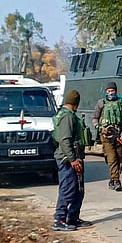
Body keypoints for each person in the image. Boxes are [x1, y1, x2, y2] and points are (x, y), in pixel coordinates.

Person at [52, 90, 92, 231]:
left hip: (74, 157)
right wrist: (73, 159)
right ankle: (59, 219)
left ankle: (73, 217)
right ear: (76, 103)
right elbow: (65, 139)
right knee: (68, 189)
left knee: (78, 190)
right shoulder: (67, 117)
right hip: (67, 159)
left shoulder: (69, 115)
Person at [92, 81, 122, 191]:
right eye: (108, 91)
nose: (110, 93)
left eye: (112, 91)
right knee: (112, 158)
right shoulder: (101, 103)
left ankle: (113, 178)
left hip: (119, 135)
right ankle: (116, 180)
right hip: (106, 136)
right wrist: (100, 128)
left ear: (116, 91)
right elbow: (95, 118)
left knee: (119, 158)